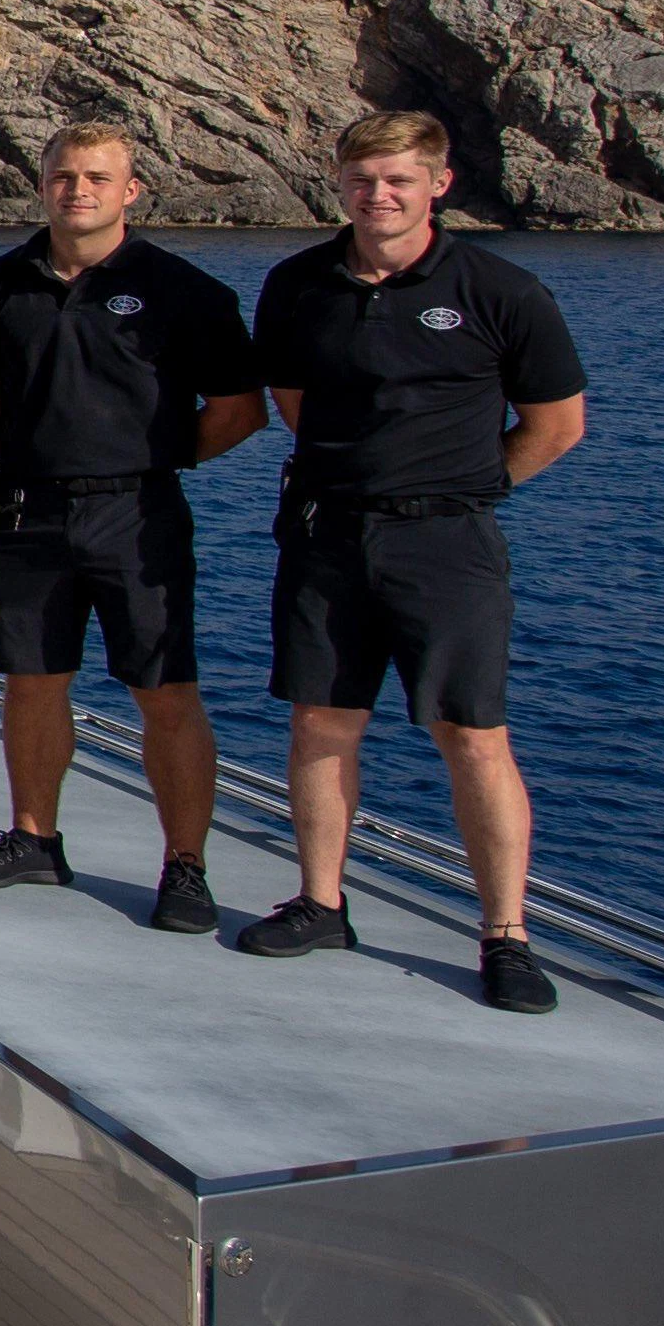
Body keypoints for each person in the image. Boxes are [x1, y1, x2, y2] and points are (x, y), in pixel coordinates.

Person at [237, 110, 587, 1012]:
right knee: (322, 721)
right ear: (340, 184)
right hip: (327, 534)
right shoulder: (298, 285)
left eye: (397, 179)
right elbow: (294, 402)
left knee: (471, 734)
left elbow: (556, 427)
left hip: (449, 543)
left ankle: (505, 935)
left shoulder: (501, 289)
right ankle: (322, 902)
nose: (378, 195)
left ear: (439, 184)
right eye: (362, 179)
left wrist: (463, 489)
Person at [0, 123, 262, 931]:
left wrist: (149, 458)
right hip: (26, 509)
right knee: (32, 678)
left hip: (139, 512)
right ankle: (33, 840)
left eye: (96, 177)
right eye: (62, 175)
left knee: (164, 690)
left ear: (131, 192)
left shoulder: (185, 291)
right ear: (42, 184)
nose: (77, 189)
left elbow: (238, 411)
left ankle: (185, 866)